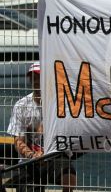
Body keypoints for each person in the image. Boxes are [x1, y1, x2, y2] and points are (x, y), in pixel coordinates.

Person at [6, 62, 76, 192]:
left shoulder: (58, 104)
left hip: (54, 156)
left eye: (39, 77)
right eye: (33, 77)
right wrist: (31, 155)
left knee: (69, 177)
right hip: (30, 159)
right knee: (28, 188)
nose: (36, 80)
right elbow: (18, 140)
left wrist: (45, 153)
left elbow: (64, 134)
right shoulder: (21, 105)